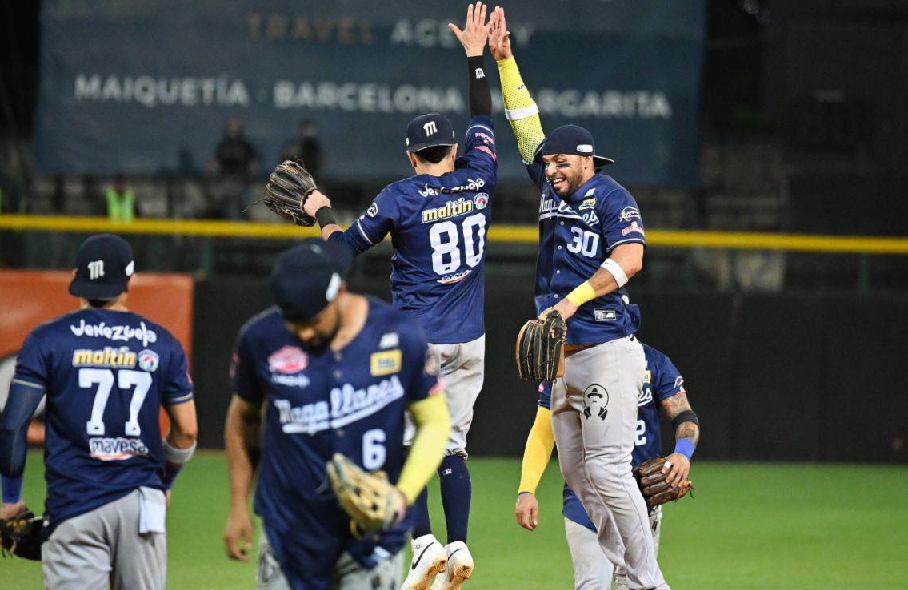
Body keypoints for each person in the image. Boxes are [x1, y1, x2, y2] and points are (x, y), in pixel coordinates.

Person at [300, 5, 497, 588]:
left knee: (392, 440)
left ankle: (424, 544)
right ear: (455, 151)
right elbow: (483, 112)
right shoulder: (479, 177)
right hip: (472, 340)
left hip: (420, 340)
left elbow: (342, 255)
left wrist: (320, 214)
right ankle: (457, 547)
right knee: (451, 449)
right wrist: (475, 58)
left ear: (412, 157)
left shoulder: (401, 195)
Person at [489, 7, 668, 589]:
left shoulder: (612, 196)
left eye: (561, 161)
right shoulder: (549, 183)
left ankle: (649, 579)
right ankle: (624, 569)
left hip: (608, 347)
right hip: (563, 358)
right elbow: (524, 122)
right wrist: (505, 62)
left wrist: (570, 302)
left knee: (611, 469)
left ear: (587, 161)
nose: (551, 168)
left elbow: (633, 259)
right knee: (578, 474)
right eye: (548, 163)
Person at [223, 239, 451, 590]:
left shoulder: (397, 335)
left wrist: (403, 495)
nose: (305, 332)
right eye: (294, 323)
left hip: (371, 537)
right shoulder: (260, 340)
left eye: (313, 320)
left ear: (339, 292)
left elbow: (434, 421)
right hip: (290, 531)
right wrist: (239, 504)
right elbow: (243, 420)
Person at [0, 233, 198, 590]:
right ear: (129, 280)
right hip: (143, 504)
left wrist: (11, 500)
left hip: (75, 504)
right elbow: (187, 430)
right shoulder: (163, 342)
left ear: (78, 280)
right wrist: (162, 483)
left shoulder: (48, 340)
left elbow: (13, 427)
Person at [515, 343, 701, 589]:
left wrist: (682, 453)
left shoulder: (652, 362)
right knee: (592, 585)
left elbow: (684, 415)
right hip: (586, 500)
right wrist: (527, 488)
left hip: (640, 498)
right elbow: (542, 432)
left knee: (637, 584)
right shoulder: (568, 366)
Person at [210, 117, 258, 219]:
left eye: (236, 127)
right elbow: (215, 164)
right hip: (225, 182)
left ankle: (243, 227)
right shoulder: (223, 145)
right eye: (232, 127)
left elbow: (253, 164)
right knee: (223, 207)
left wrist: (249, 178)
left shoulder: (245, 145)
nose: (234, 129)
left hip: (241, 182)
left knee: (243, 209)